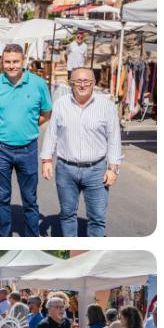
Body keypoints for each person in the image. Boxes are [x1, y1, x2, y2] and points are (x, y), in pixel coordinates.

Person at [41, 67, 123, 237]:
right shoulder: (61, 104)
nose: (83, 84)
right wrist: (46, 159)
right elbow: (52, 134)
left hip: (96, 171)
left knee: (97, 217)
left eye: (87, 81)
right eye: (78, 81)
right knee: (67, 214)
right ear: (71, 83)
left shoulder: (106, 106)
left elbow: (114, 138)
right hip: (65, 169)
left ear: (93, 83)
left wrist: (113, 168)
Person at [0, 44, 52, 237]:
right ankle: (3, 238)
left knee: (30, 198)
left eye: (15, 61)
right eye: (7, 62)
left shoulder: (38, 84)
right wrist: (2, 126)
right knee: (2, 198)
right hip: (0, 149)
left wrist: (28, 125)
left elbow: (46, 113)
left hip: (28, 148)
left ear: (24, 62)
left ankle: (32, 238)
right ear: (2, 62)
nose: (11, 65)